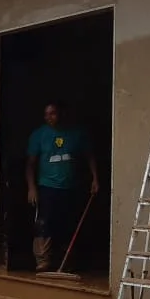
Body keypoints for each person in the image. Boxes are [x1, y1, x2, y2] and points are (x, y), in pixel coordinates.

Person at [27, 102, 98, 272]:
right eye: (46, 114)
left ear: (62, 114)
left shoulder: (76, 134)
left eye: (53, 113)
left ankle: (66, 261)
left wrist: (95, 179)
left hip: (71, 187)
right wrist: (32, 187)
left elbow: (89, 156)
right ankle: (43, 259)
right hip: (47, 187)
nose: (49, 117)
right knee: (44, 223)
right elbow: (30, 164)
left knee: (68, 223)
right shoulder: (39, 135)